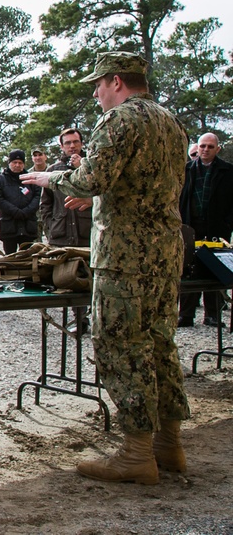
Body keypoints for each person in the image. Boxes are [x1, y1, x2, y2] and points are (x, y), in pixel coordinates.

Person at [22, 51, 190, 486]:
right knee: (159, 342)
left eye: (98, 84)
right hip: (165, 251)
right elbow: (149, 183)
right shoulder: (171, 122)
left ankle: (136, 453)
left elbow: (87, 178)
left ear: (117, 81)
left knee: (121, 343)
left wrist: (50, 180)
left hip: (125, 255)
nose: (96, 93)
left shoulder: (120, 120)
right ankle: (168, 444)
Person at [40, 128, 93, 334]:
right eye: (68, 143)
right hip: (62, 233)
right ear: (61, 146)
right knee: (68, 278)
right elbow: (45, 204)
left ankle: (90, 316)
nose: (72, 146)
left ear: (81, 143)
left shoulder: (91, 167)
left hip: (86, 230)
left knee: (89, 276)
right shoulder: (54, 170)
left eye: (76, 142)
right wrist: (50, 226)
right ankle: (78, 319)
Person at [178, 133, 233, 327]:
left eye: (210, 146)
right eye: (202, 146)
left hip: (217, 226)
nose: (205, 150)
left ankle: (213, 315)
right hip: (191, 226)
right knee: (188, 269)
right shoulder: (186, 170)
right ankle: (185, 314)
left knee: (215, 270)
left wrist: (227, 223)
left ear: (218, 149)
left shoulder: (228, 172)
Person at [0, 149, 40, 254]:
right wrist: (15, 211)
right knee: (10, 258)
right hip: (9, 226)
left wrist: (26, 212)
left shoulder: (31, 179)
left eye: (20, 163)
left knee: (27, 258)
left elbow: (37, 197)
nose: (17, 165)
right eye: (14, 162)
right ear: (9, 163)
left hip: (28, 226)